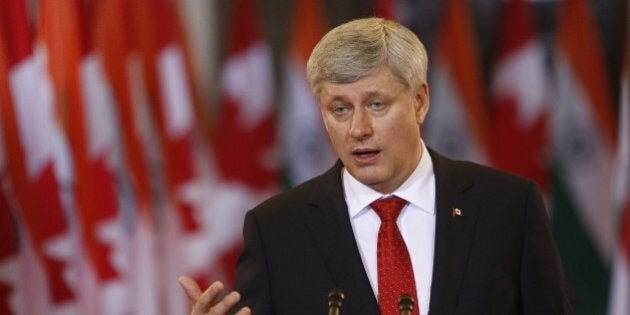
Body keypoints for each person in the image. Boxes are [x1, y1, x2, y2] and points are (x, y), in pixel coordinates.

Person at [178, 17, 573, 315]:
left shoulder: (506, 206)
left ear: (419, 101)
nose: (358, 129)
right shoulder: (277, 229)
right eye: (339, 109)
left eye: (376, 105)